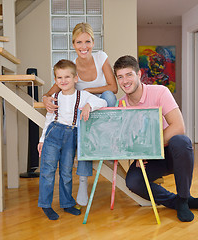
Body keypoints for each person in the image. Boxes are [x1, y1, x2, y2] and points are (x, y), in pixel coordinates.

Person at [113, 55, 198, 222]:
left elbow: (178, 127)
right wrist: (138, 152)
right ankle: (182, 201)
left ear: (139, 74)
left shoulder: (160, 92)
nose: (125, 81)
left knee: (181, 141)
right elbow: (129, 140)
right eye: (120, 77)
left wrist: (147, 148)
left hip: (171, 152)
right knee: (133, 181)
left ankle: (183, 198)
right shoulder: (120, 105)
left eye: (129, 74)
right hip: (150, 158)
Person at [43, 22, 118, 207]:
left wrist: (89, 92)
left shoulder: (101, 57)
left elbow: (113, 88)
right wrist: (45, 98)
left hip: (100, 106)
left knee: (107, 95)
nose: (83, 46)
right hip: (85, 113)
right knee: (85, 133)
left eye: (87, 41)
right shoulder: (72, 66)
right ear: (73, 44)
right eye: (78, 42)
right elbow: (55, 89)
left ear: (93, 42)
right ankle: (83, 183)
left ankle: (106, 139)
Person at [37, 59, 107, 220]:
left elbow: (102, 101)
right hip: (53, 135)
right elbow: (48, 120)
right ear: (55, 80)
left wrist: (89, 106)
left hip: (71, 136)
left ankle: (67, 203)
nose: (63, 81)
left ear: (75, 78)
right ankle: (46, 205)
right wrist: (42, 139)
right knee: (48, 172)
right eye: (59, 78)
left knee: (66, 172)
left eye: (67, 77)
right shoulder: (53, 97)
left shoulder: (83, 96)